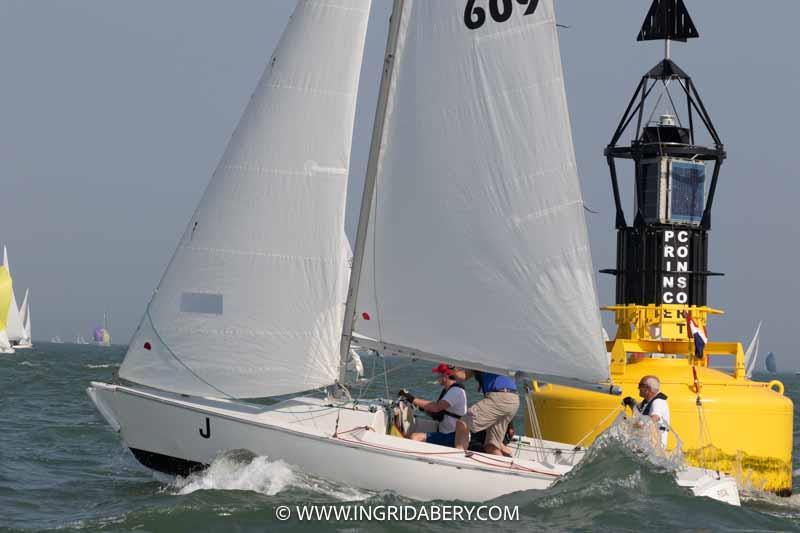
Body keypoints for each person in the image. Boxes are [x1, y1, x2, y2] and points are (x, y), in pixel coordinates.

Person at [452, 369, 519, 456]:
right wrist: (452, 368)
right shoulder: (488, 363)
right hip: (513, 399)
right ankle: (501, 467)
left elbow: (462, 375)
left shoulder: (482, 360)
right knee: (491, 446)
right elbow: (463, 376)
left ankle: (458, 457)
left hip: (500, 397)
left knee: (464, 422)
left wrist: (451, 367)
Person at [399, 363, 467, 447]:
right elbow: (438, 414)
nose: (437, 377)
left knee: (415, 437)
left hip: (452, 436)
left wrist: (412, 399)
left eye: (439, 375)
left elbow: (436, 407)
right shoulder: (448, 390)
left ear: (445, 376)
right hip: (443, 428)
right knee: (409, 430)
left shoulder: (456, 391)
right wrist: (420, 407)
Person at [622, 375, 670, 447]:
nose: (638, 388)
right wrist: (631, 403)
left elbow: (655, 417)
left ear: (647, 388)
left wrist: (639, 425)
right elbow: (638, 412)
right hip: (645, 447)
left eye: (640, 385)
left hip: (655, 450)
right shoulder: (647, 402)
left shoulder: (658, 402)